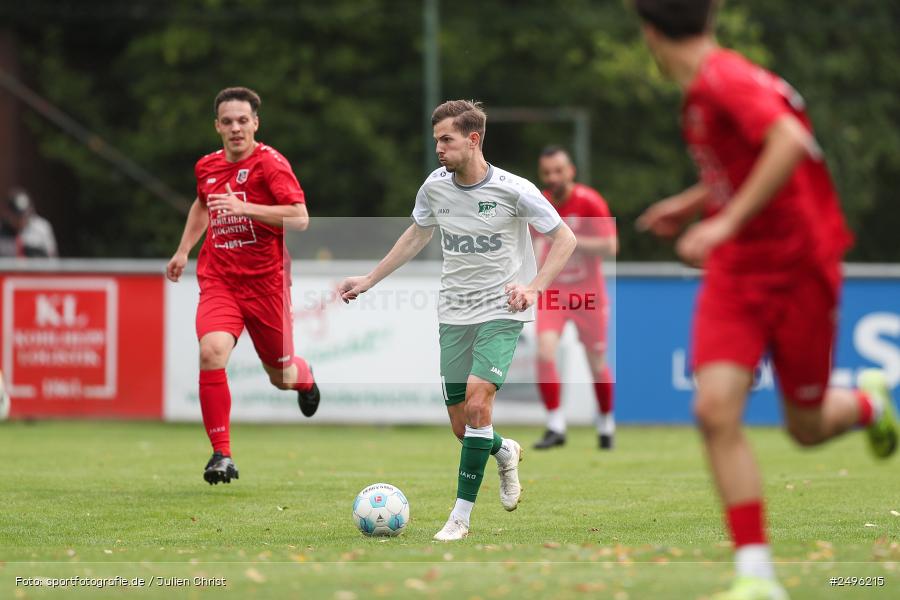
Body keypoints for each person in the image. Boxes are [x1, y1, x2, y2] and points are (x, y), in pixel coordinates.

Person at [633, 1, 898, 598]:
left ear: (650, 32)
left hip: (801, 268)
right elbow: (743, 163)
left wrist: (723, 224)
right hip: (737, 275)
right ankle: (757, 577)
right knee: (714, 410)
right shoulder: (705, 91)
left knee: (805, 427)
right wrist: (694, 203)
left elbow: (789, 140)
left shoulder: (723, 79)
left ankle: (868, 406)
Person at [339, 100, 576, 541]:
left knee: (477, 400)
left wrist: (533, 288)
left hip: (501, 310)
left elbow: (565, 237)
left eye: (446, 140)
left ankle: (460, 518)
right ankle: (503, 450)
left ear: (473, 140)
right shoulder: (434, 187)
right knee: (463, 425)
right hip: (454, 310)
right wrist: (370, 278)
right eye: (436, 141)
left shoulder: (515, 189)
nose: (439, 149)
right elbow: (417, 233)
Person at [166, 86, 320, 486]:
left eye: (243, 120)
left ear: (255, 123)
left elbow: (299, 217)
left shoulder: (271, 164)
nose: (236, 128)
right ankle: (222, 453)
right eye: (227, 121)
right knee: (211, 350)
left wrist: (245, 207)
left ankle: (305, 379)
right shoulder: (207, 166)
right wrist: (184, 249)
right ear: (217, 126)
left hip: (267, 284)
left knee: (281, 375)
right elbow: (203, 203)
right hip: (220, 280)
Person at [532, 146, 618, 451]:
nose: (553, 177)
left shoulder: (589, 201)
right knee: (544, 352)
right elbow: (527, 242)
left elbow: (610, 246)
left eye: (558, 171)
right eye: (547, 173)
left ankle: (606, 423)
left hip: (588, 293)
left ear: (571, 172)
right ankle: (555, 425)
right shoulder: (538, 202)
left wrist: (567, 238)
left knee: (596, 361)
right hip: (554, 291)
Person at [0, 188, 58, 258]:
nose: (21, 220)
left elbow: (53, 258)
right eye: (17, 217)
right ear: (8, 213)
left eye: (25, 216)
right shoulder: (1, 229)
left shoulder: (42, 228)